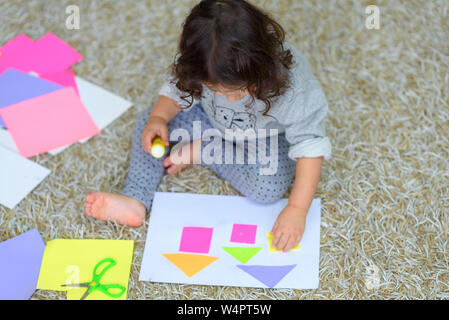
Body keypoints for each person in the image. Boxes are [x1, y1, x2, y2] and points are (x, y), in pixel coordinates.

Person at [85, 0, 332, 252]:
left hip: (266, 138)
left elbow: (310, 144)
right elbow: (177, 90)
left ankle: (206, 151)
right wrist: (158, 119)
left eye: (242, 90)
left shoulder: (292, 85)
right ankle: (135, 196)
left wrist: (297, 209)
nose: (231, 98)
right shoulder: (202, 61)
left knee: (267, 187)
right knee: (151, 124)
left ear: (261, 63)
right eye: (215, 89)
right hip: (209, 120)